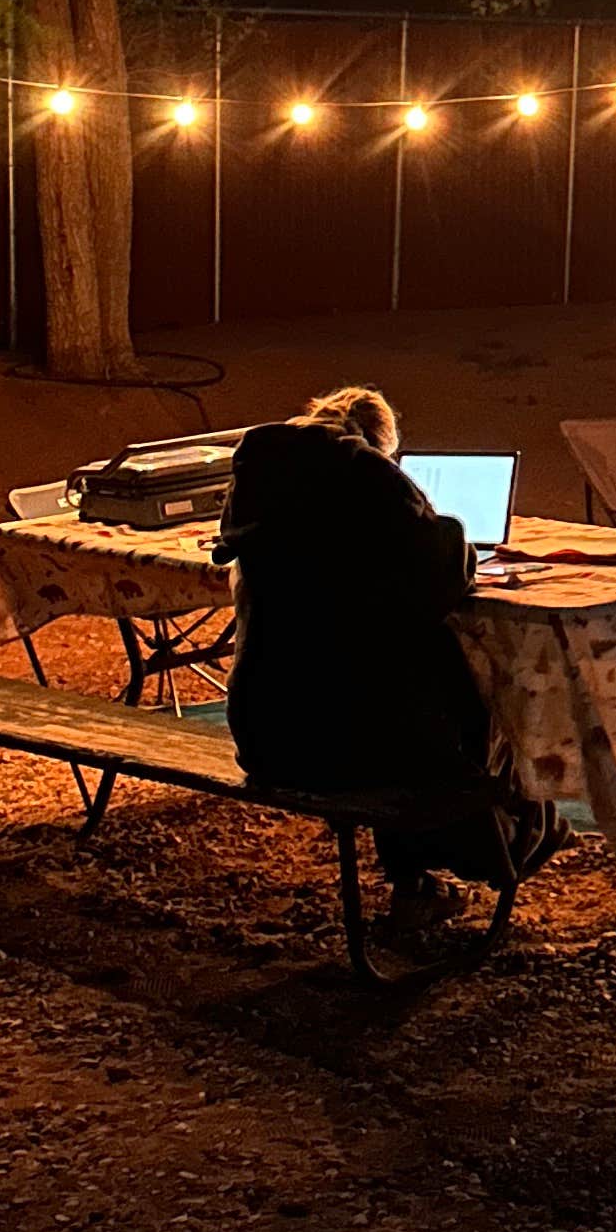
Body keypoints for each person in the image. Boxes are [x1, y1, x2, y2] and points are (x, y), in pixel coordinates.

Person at [213, 385, 509, 951]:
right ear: (383, 444)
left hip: (265, 732)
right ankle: (505, 848)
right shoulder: (372, 481)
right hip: (350, 746)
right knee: (450, 700)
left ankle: (418, 882)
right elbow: (441, 571)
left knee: (381, 690)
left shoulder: (259, 480)